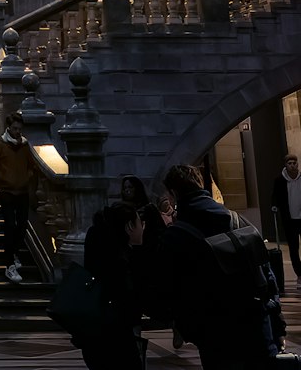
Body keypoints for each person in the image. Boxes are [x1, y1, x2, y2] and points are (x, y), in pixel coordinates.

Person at [152, 162, 286, 369]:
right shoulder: (237, 219)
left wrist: (187, 327)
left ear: (174, 192)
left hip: (215, 334)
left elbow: (168, 291)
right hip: (257, 326)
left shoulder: (175, 236)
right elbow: (267, 276)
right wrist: (278, 327)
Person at [74, 201, 147, 370]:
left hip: (95, 336)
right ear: (129, 227)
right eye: (140, 223)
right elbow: (131, 300)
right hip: (115, 337)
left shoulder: (101, 249)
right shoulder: (120, 263)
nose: (142, 228)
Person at [0, 112, 38, 279]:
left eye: (20, 129)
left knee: (22, 226)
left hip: (22, 191)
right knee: (10, 225)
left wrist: (27, 176)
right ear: (9, 128)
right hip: (7, 191)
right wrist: (4, 177)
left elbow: (31, 164)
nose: (17, 131)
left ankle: (14, 253)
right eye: (15, 128)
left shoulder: (24, 145)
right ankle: (9, 263)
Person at [272, 152, 301, 288]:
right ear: (286, 165)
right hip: (289, 220)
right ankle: (300, 275)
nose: (292, 165)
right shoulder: (280, 180)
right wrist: (274, 206)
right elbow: (275, 196)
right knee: (294, 248)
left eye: (294, 163)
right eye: (289, 163)